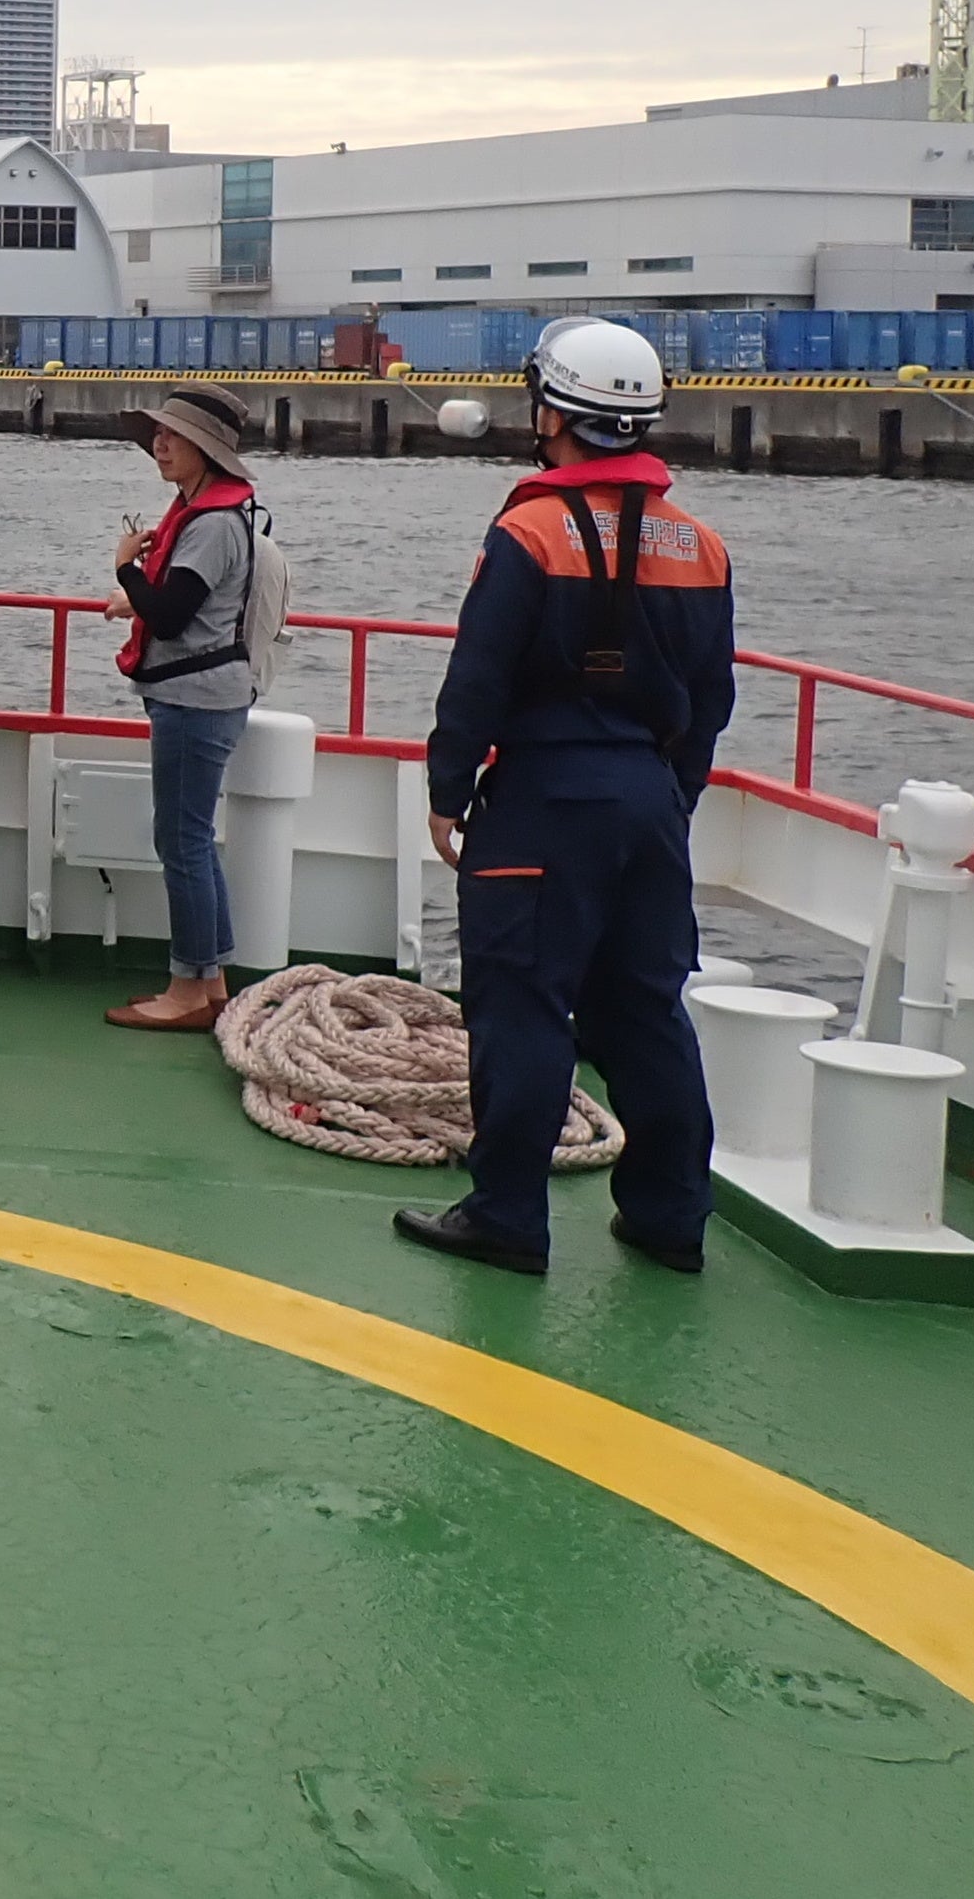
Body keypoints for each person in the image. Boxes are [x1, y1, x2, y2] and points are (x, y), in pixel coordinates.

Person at [398, 319, 735, 1279]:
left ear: (553, 411)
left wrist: (449, 785)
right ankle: (671, 1215)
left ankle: (508, 1214)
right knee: (646, 1011)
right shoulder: (702, 545)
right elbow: (712, 698)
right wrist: (676, 797)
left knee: (524, 1006)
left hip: (546, 797)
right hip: (649, 802)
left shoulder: (529, 531)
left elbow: (480, 677)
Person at [100, 384, 269, 1034]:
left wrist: (126, 573)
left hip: (195, 700)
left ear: (208, 449)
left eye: (172, 436)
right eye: (158, 436)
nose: (160, 446)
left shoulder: (213, 523)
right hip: (205, 694)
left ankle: (184, 989)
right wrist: (137, 596)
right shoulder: (208, 513)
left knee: (182, 841)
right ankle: (212, 982)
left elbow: (171, 615)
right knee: (191, 839)